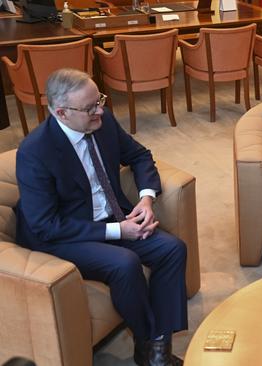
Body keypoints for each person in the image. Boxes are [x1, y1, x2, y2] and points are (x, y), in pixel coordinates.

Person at [14, 69, 187, 366]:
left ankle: (157, 345)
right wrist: (119, 231)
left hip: (113, 216)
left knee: (173, 249)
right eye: (90, 107)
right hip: (65, 234)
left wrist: (146, 200)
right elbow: (45, 225)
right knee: (125, 263)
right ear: (61, 112)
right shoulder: (35, 152)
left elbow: (140, 155)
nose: (100, 110)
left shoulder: (102, 124)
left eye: (100, 100)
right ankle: (147, 342)